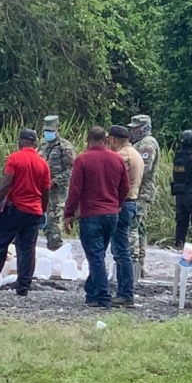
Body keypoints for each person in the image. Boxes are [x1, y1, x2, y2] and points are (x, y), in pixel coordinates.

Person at [0, 129, 51, 297]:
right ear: (35, 143)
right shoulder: (42, 163)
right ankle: (23, 286)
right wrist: (43, 210)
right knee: (27, 249)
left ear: (21, 141)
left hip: (14, 209)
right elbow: (46, 190)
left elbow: (6, 184)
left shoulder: (14, 158)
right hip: (34, 211)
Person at [64, 127, 130, 309]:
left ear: (88, 139)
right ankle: (92, 293)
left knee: (95, 257)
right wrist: (117, 204)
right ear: (106, 139)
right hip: (112, 214)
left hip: (91, 214)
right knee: (99, 254)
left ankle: (103, 296)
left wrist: (68, 214)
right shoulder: (117, 159)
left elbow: (75, 190)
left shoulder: (83, 159)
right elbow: (125, 187)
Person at [107, 125, 144, 308]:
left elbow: (113, 182)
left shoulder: (122, 156)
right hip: (131, 202)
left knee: (121, 251)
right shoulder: (135, 153)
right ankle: (125, 292)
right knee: (122, 250)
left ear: (113, 139)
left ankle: (125, 293)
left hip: (122, 204)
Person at [128, 114, 160, 278]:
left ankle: (135, 263)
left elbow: (143, 168)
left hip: (141, 192)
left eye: (136, 128)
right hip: (138, 191)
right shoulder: (139, 144)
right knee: (138, 227)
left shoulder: (147, 144)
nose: (132, 131)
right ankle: (139, 265)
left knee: (133, 225)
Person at [38, 115, 75, 251]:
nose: (48, 133)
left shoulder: (65, 147)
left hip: (58, 193)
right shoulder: (42, 145)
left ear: (57, 129)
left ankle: (56, 251)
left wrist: (55, 181)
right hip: (42, 192)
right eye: (46, 130)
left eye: (51, 130)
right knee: (46, 225)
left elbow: (71, 170)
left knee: (55, 226)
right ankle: (51, 251)